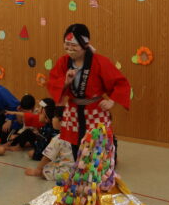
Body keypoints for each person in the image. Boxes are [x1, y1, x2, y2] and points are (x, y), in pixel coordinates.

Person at [47, 24, 130, 160]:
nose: (69, 49)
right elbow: (53, 82)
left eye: (74, 45)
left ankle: (98, 178)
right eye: (66, 45)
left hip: (95, 110)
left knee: (97, 148)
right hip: (73, 110)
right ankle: (79, 174)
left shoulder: (99, 61)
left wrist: (111, 101)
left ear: (85, 44)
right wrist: (66, 81)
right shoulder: (63, 62)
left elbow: (120, 83)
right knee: (75, 146)